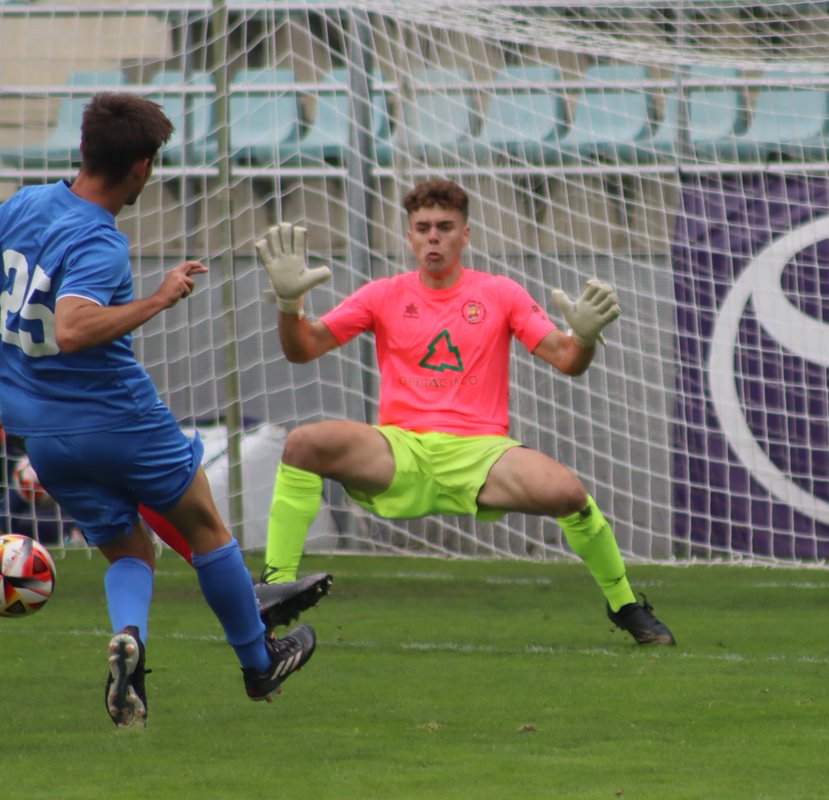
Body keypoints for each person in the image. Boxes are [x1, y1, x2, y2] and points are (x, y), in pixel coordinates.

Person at [0, 92, 319, 728]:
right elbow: (73, 326)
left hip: (43, 434)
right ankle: (260, 664)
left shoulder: (22, 204)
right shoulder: (99, 240)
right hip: (119, 419)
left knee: (130, 554)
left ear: (85, 147)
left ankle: (130, 648)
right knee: (207, 531)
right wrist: (160, 297)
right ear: (142, 167)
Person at [255, 178, 675, 646]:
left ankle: (624, 605)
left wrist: (585, 338)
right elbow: (303, 348)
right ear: (410, 236)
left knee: (568, 493)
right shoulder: (382, 294)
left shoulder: (501, 293)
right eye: (423, 227)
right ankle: (274, 590)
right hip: (402, 449)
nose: (433, 236)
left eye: (445, 226)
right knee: (303, 443)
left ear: (465, 235)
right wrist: (290, 307)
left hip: (483, 453)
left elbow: (568, 360)